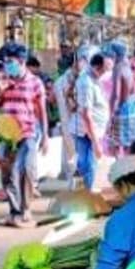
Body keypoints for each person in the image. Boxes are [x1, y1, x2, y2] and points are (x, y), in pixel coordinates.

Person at [0, 43, 48, 228]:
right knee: (9, 174)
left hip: (28, 132)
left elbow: (41, 111)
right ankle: (14, 211)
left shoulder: (35, 82)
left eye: (10, 61)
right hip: (5, 135)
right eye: (5, 62)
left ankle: (25, 208)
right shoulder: (1, 80)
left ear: (22, 61)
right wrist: (0, 92)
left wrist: (45, 136)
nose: (7, 65)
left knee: (26, 171)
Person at [73, 51, 110, 190]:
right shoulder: (86, 82)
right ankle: (87, 193)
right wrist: (95, 141)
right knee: (88, 164)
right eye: (104, 70)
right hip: (86, 130)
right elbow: (86, 114)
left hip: (96, 129)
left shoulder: (95, 79)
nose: (105, 73)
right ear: (97, 68)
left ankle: (87, 191)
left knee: (89, 163)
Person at [105, 41, 135, 154]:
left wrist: (110, 116)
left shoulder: (118, 68)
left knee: (121, 146)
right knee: (132, 146)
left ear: (114, 55)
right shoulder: (129, 65)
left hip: (125, 110)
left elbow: (116, 95)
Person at [55, 51, 82, 182]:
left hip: (66, 120)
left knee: (69, 152)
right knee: (75, 153)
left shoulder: (59, 82)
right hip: (75, 121)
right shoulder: (74, 81)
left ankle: (70, 178)